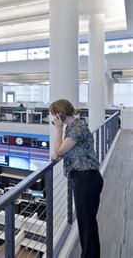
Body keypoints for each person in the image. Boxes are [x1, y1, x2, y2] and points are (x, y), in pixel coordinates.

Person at [50, 99, 103, 258]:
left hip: (85, 179)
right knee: (88, 224)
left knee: (87, 225)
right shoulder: (75, 126)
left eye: (54, 116)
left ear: (60, 115)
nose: (53, 120)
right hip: (88, 178)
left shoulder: (75, 130)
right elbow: (62, 150)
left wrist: (58, 130)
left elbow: (58, 151)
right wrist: (59, 151)